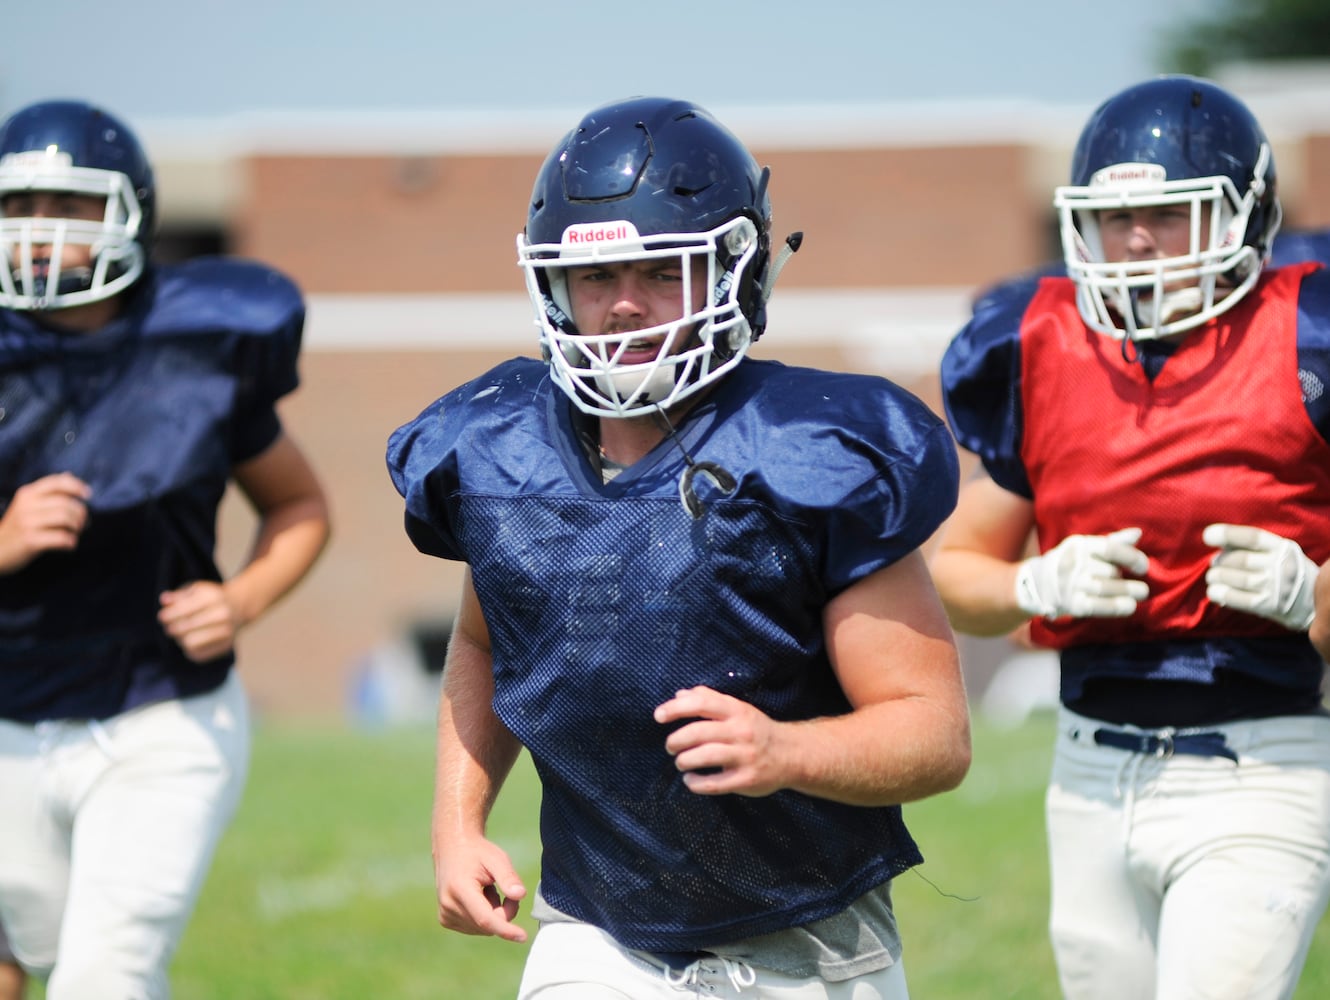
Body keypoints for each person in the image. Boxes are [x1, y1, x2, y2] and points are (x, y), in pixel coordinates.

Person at [387, 95, 971, 999]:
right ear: (554, 287)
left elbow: (934, 735)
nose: (625, 306)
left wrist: (788, 752)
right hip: (597, 937)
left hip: (809, 946)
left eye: (662, 271)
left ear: (734, 276)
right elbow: (484, 642)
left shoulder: (806, 453)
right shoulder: (500, 451)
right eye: (598, 277)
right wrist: (455, 828)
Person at [930, 74, 1330, 1000]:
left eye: (1169, 211)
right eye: (1115, 218)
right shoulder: (1040, 344)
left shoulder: (1308, 339)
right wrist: (1035, 586)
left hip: (1262, 762)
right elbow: (957, 569)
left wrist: (1312, 592)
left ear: (1245, 217)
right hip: (1088, 774)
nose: (1137, 239)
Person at [0, 99, 330, 998]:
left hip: (161, 715)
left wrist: (243, 600)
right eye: (19, 209)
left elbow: (299, 505)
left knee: (105, 978)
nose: (37, 233)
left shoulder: (200, 344)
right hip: (8, 718)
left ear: (127, 213)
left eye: (66, 207)